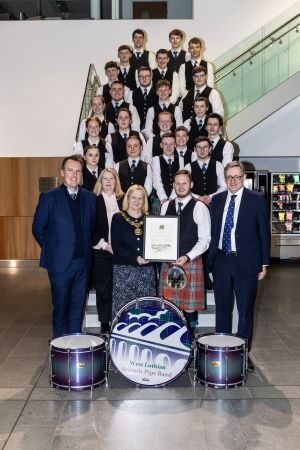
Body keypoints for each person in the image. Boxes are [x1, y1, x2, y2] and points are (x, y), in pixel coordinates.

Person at [208, 161, 270, 369]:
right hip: (222, 261)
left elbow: (264, 232)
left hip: (247, 263)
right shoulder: (216, 200)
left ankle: (242, 354)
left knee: (245, 311)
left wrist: (264, 262)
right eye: (229, 178)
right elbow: (212, 233)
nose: (233, 181)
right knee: (222, 310)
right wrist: (210, 262)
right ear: (224, 179)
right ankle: (222, 350)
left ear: (244, 178)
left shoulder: (257, 199)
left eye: (236, 177)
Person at [32, 155, 96, 337]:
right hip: (59, 265)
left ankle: (74, 351)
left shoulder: (90, 198)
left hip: (83, 264)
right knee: (61, 308)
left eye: (78, 171)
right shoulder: (49, 197)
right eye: (70, 170)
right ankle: (60, 351)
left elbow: (90, 229)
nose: (74, 175)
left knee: (77, 309)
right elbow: (38, 229)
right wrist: (54, 251)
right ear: (62, 173)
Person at [159, 170, 211, 335]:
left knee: (188, 308)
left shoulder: (200, 207)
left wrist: (187, 256)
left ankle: (188, 339)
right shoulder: (166, 205)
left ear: (191, 184)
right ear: (173, 185)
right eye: (178, 183)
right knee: (168, 306)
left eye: (184, 183)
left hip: (190, 262)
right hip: (168, 263)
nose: (181, 187)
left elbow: (205, 240)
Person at [111, 184, 156, 317]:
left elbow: (156, 244)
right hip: (124, 271)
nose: (136, 201)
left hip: (146, 271)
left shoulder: (152, 219)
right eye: (133, 198)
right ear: (128, 198)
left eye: (140, 198)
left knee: (146, 310)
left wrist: (152, 256)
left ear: (144, 201)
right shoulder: (118, 218)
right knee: (124, 308)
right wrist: (135, 258)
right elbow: (116, 246)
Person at [92, 168, 124, 333]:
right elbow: (90, 228)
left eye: (112, 178)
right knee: (103, 289)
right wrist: (106, 245)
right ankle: (105, 324)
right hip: (102, 251)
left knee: (120, 287)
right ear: (100, 182)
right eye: (105, 179)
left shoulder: (124, 199)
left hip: (121, 253)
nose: (109, 182)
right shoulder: (94, 201)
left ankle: (120, 321)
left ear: (116, 181)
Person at [185, 136, 227, 206]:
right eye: (199, 147)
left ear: (210, 148)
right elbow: (185, 188)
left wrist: (210, 197)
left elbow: (224, 186)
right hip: (194, 204)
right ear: (195, 149)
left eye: (205, 147)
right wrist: (198, 197)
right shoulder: (188, 167)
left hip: (213, 203)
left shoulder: (218, 165)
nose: (202, 150)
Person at [152, 132, 184, 206]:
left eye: (171, 144)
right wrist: (163, 198)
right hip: (160, 199)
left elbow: (179, 180)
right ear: (161, 145)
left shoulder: (180, 159)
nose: (168, 147)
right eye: (165, 144)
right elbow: (157, 181)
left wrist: (172, 198)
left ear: (175, 145)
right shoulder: (156, 159)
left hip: (176, 197)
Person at [129, 66, 158, 131]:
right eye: (141, 76)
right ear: (138, 78)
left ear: (151, 77)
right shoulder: (131, 93)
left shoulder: (158, 92)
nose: (144, 78)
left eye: (147, 76)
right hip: (136, 129)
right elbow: (129, 114)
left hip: (154, 129)